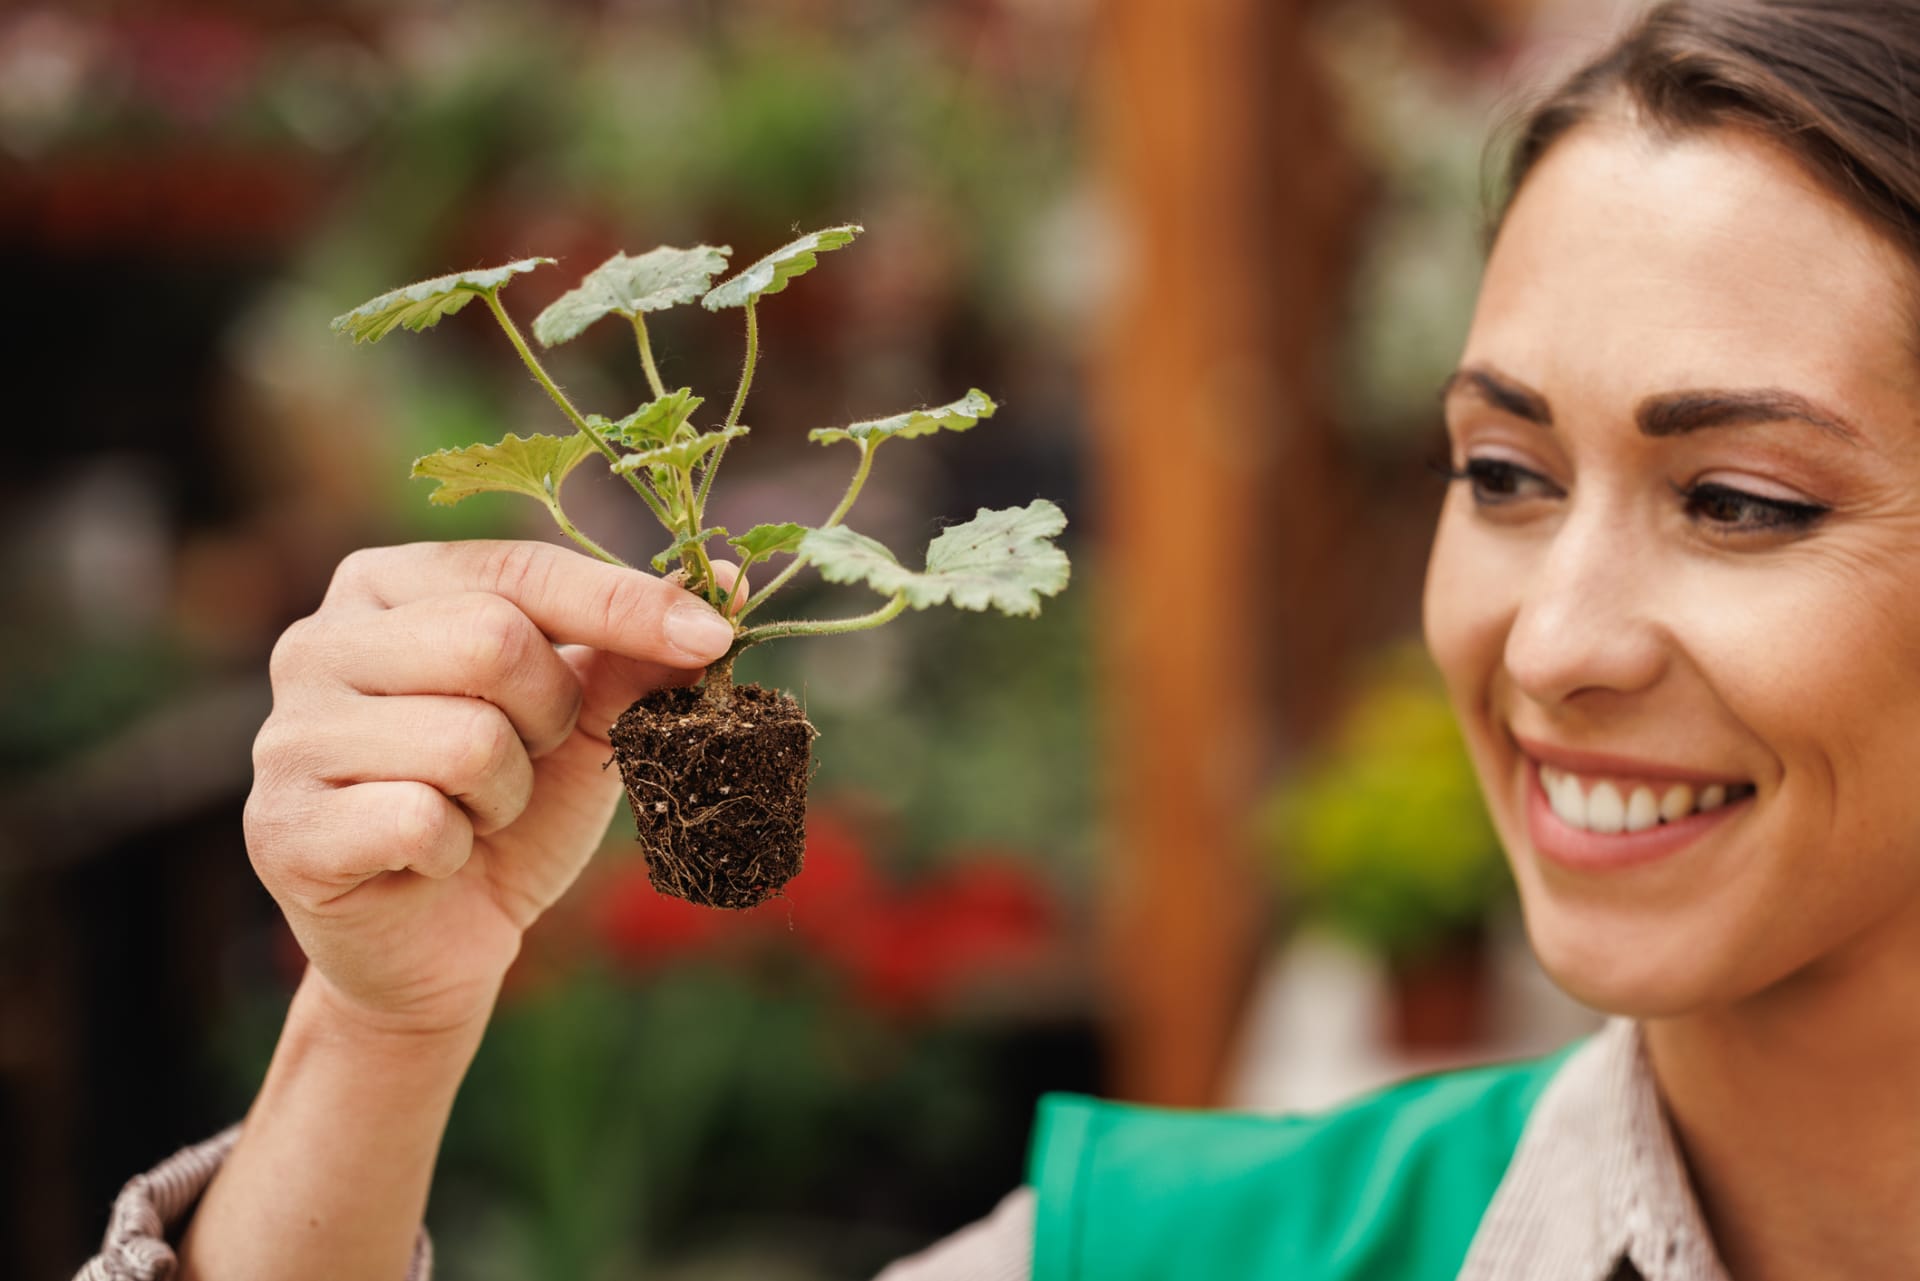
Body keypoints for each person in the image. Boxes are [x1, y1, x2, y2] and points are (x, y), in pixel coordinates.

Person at [74, 1, 1920, 1277]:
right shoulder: (1187, 1256)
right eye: (1503, 471)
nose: (1555, 644)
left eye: (1742, 501)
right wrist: (377, 1033)